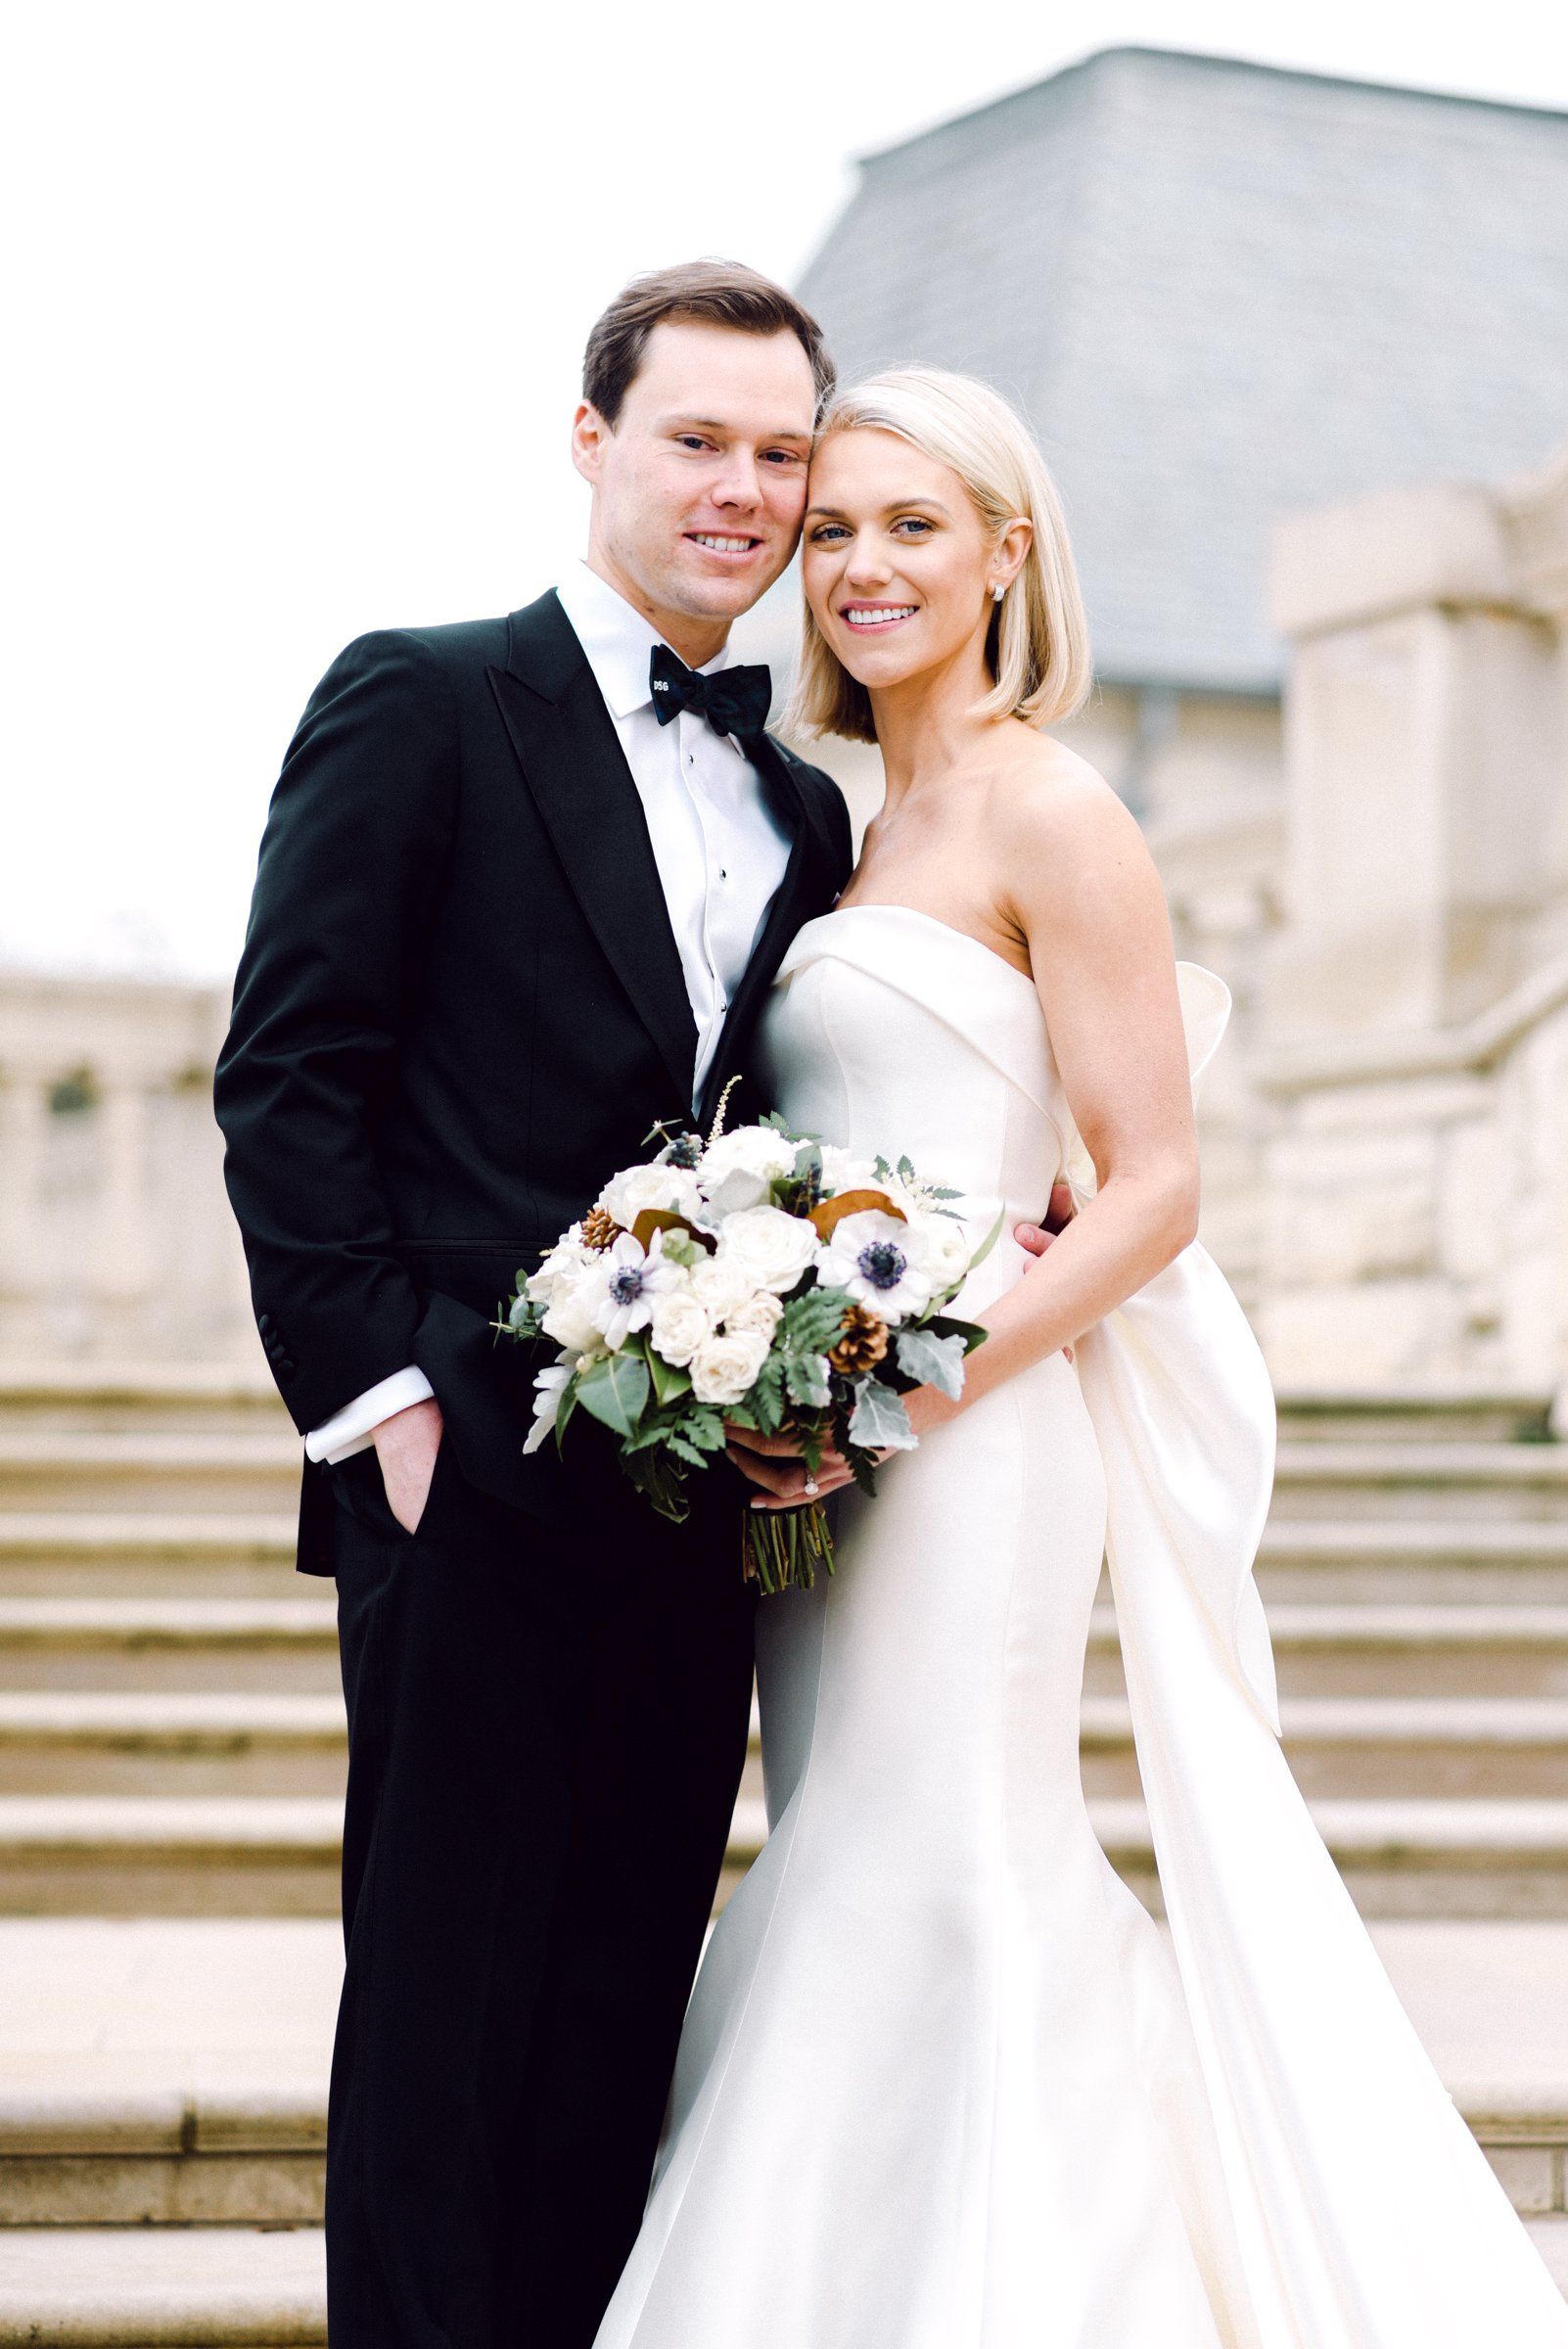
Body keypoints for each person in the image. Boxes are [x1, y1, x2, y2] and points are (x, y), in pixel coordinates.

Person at [591, 370, 1568, 2347]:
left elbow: (1155, 1187)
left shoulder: (1054, 806)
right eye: (833, 530)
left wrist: (905, 1388)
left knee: (956, 1856)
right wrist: (760, 1353)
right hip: (818, 1454)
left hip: (971, 1444)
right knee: (843, 1851)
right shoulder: (848, 825)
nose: (861, 567)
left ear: (1005, 555)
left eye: (913, 527)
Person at [212, 259, 856, 2349]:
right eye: (698, 440)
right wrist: (378, 1403)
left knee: (614, 2012)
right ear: (594, 443)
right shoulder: (419, 697)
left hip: (690, 1493)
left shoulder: (802, 803)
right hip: (459, 1470)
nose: (742, 489)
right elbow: (292, 1071)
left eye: (780, 453)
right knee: (442, 2017)